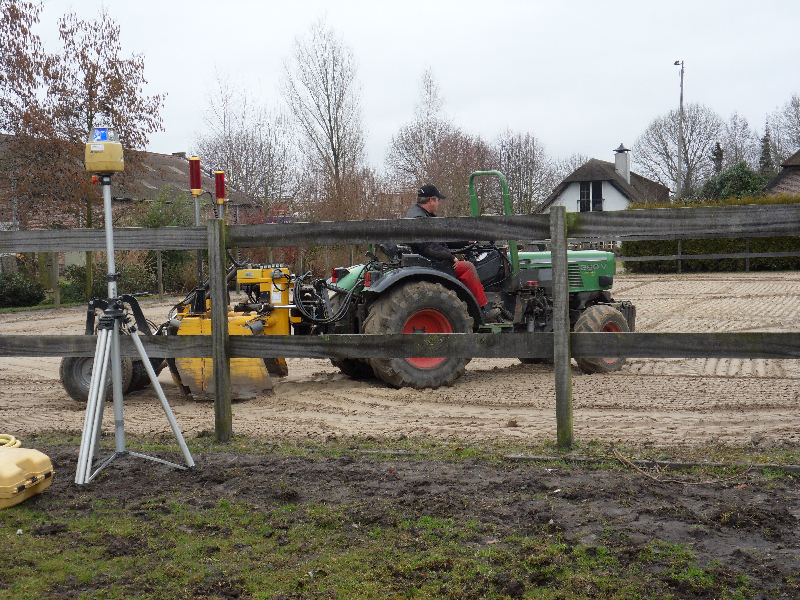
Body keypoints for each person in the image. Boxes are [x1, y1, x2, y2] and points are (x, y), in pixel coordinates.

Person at [406, 184, 502, 323]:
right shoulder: (420, 220)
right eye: (438, 200)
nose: (438, 204)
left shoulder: (418, 214)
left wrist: (467, 241)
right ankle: (482, 310)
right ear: (432, 200)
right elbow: (429, 248)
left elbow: (442, 239)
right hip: (430, 263)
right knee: (467, 267)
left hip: (425, 259)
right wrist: (451, 257)